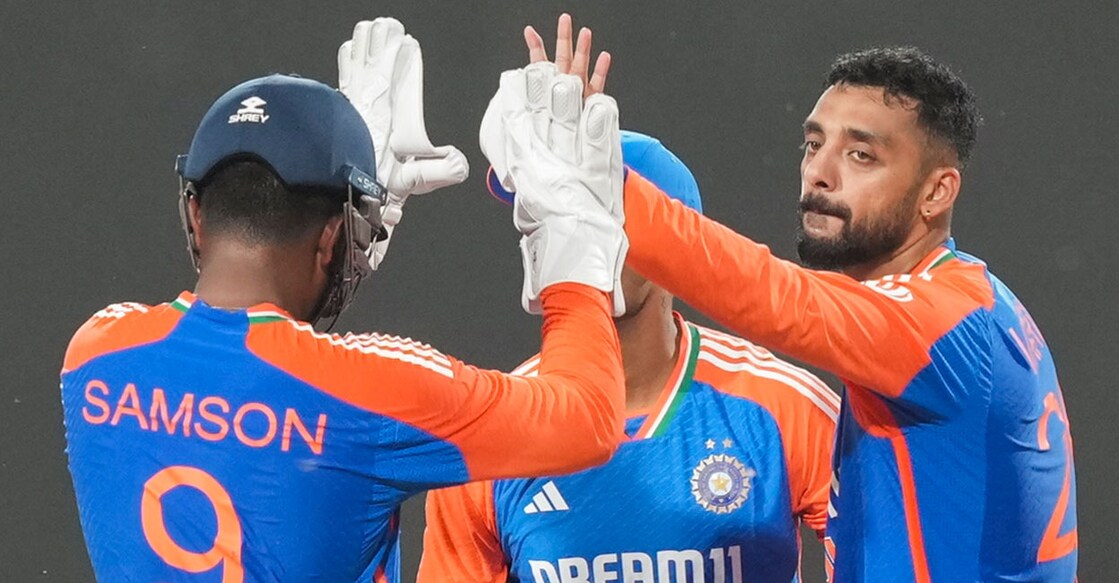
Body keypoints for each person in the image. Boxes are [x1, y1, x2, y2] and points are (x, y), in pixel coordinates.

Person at [495, 17, 1078, 582]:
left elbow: (769, 294)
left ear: (936, 192)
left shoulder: (938, 322)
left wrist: (597, 190)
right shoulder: (971, 301)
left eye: (861, 155)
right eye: (813, 143)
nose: (818, 173)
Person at [60, 18, 630, 582]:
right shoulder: (373, 390)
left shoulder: (96, 351)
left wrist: (348, 236)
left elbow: (261, 377)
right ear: (331, 236)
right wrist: (572, 228)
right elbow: (588, 420)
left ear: (194, 213)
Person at [418, 130, 838, 583]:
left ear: (675, 238)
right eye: (552, 218)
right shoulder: (490, 437)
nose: (573, 243)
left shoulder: (783, 408)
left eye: (597, 217)